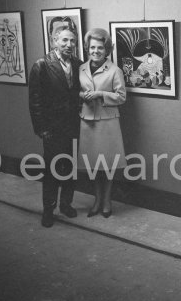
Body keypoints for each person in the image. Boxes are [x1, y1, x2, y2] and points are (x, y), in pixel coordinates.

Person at [29, 26, 82, 228]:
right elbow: (34, 101)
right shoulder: (41, 65)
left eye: (72, 41)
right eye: (65, 41)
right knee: (52, 171)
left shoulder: (78, 64)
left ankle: (66, 204)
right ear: (54, 41)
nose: (69, 45)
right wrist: (41, 129)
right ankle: (48, 210)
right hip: (52, 130)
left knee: (70, 168)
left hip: (73, 127)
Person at [78, 28, 127, 218]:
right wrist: (83, 95)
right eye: (92, 47)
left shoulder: (115, 70)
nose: (95, 51)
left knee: (106, 166)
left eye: (100, 48)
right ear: (87, 48)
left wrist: (100, 95)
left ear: (107, 50)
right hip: (87, 122)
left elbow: (122, 97)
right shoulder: (81, 68)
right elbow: (76, 91)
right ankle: (96, 200)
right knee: (92, 166)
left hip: (107, 124)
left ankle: (107, 201)